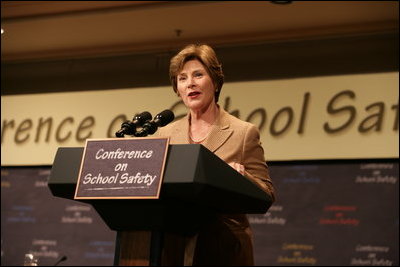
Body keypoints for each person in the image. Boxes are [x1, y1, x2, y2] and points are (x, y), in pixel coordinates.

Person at [156, 43, 276, 266]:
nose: (190, 83)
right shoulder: (164, 134)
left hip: (224, 247)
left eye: (198, 75)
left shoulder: (243, 132)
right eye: (182, 78)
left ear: (215, 81)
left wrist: (241, 179)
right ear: (177, 88)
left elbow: (266, 195)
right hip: (174, 246)